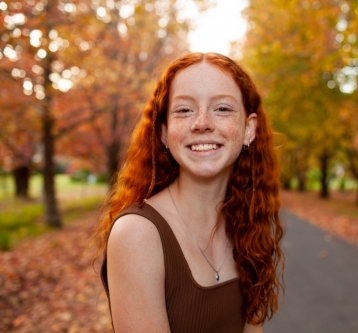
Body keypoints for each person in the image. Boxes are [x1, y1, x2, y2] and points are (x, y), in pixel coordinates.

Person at [93, 52, 284, 333]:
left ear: (249, 129)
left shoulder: (248, 225)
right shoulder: (137, 234)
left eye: (222, 109)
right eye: (184, 110)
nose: (202, 122)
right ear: (164, 133)